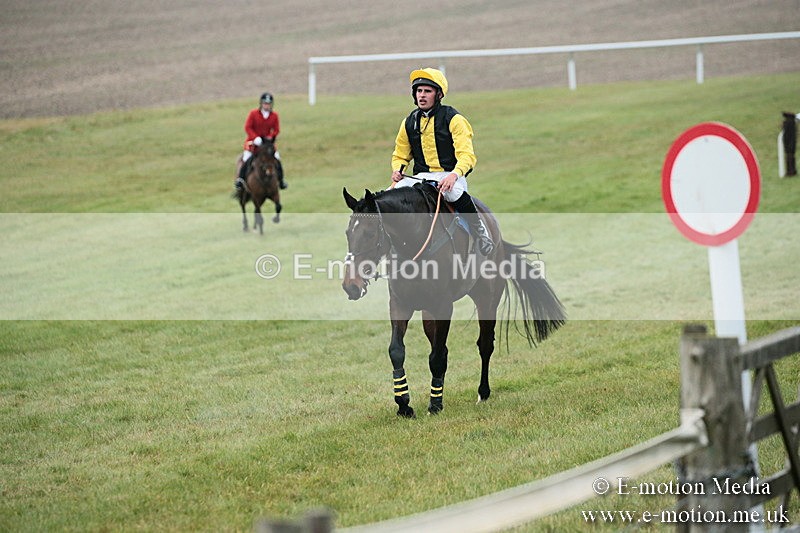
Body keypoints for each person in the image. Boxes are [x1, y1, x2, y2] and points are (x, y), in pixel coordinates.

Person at [390, 68, 494, 255]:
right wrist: (398, 169)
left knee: (454, 193)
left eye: (427, 91)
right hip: (419, 178)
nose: (422, 96)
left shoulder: (454, 119)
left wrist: (454, 175)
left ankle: (480, 232)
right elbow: (400, 154)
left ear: (438, 94)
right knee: (394, 194)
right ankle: (391, 243)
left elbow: (467, 156)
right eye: (419, 91)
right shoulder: (409, 122)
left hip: (450, 175)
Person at [235, 92, 287, 190]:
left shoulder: (274, 116)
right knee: (246, 158)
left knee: (277, 158)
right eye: (265, 103)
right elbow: (248, 127)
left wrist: (270, 137)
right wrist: (255, 137)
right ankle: (240, 180)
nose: (267, 106)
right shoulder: (253, 114)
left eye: (269, 104)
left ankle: (281, 180)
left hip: (267, 144)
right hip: (254, 143)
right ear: (261, 104)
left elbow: (276, 130)